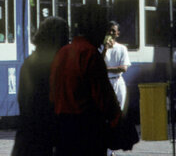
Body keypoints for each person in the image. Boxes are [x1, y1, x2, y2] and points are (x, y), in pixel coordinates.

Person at [50, 12, 122, 156]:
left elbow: (52, 89)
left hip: (63, 123)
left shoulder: (62, 53)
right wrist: (117, 122)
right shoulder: (91, 54)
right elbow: (103, 95)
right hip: (86, 125)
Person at [11, 16, 69, 156]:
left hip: (28, 135)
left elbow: (23, 100)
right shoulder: (55, 63)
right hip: (47, 135)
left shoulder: (30, 61)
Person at [104, 21, 131, 112]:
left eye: (113, 31)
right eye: (109, 31)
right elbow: (98, 63)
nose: (110, 33)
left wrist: (106, 69)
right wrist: (105, 49)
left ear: (117, 33)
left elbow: (123, 68)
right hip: (105, 82)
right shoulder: (100, 48)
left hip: (118, 82)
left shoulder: (122, 48)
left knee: (119, 110)